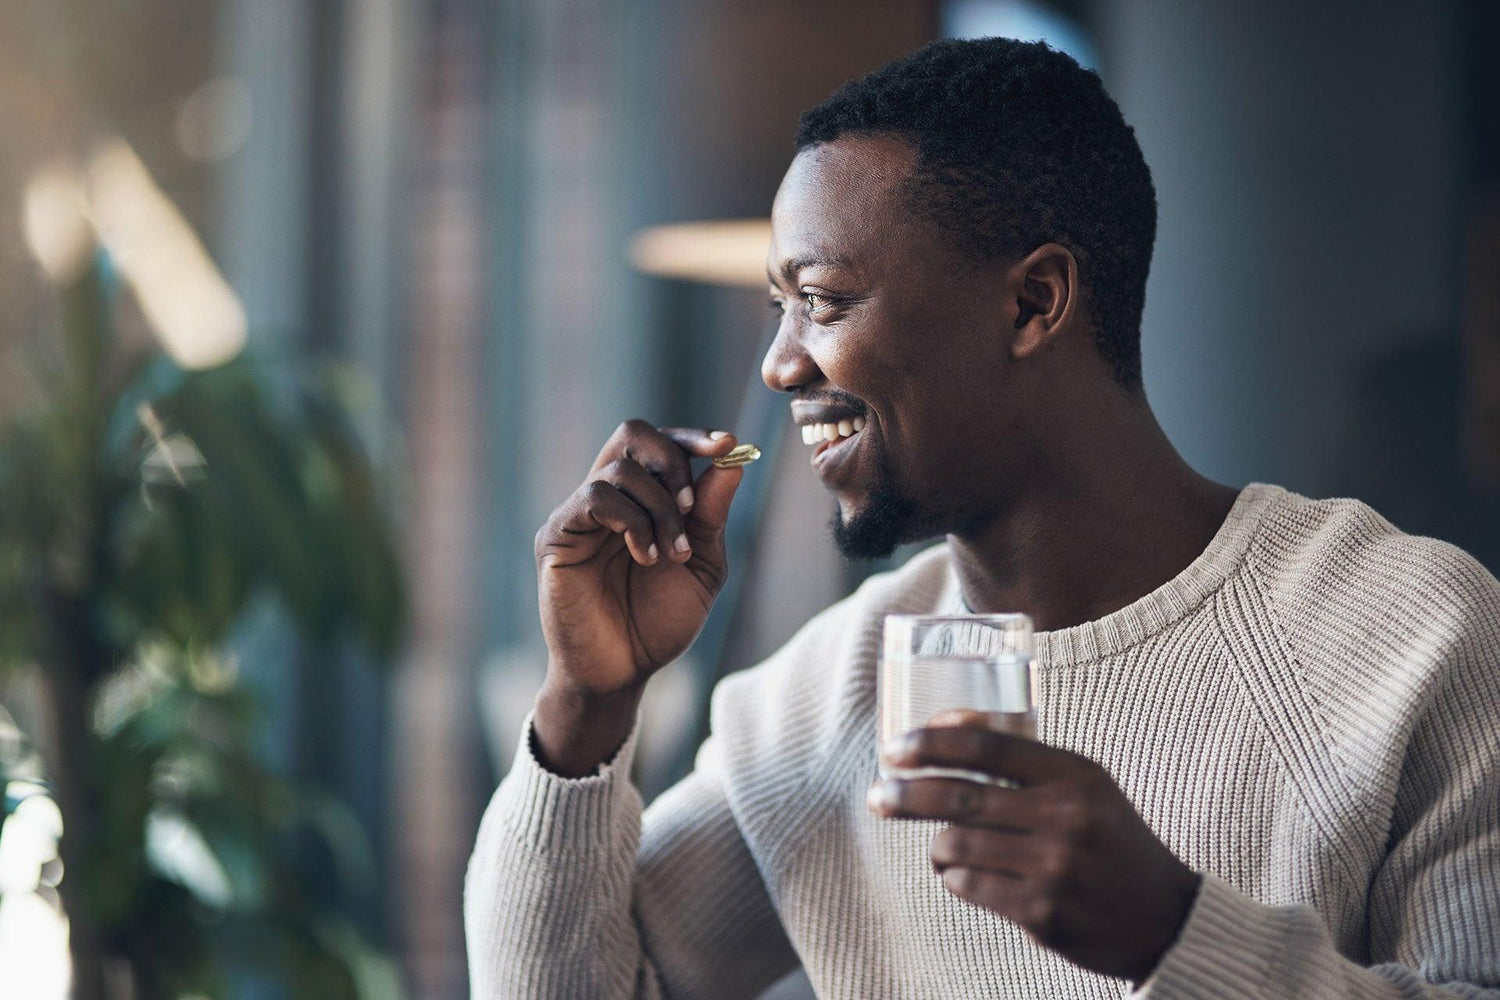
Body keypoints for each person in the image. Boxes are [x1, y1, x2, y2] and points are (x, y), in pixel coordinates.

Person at [464, 37, 1500, 999]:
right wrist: (586, 704)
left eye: (822, 299)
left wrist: (1177, 934)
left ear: (1032, 303)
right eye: (777, 307)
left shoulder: (1414, 637)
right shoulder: (821, 701)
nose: (781, 365)